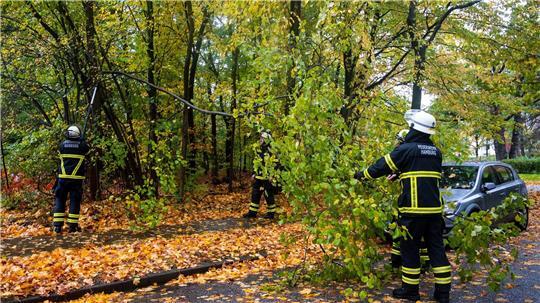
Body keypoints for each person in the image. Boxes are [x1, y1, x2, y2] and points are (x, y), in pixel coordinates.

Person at [355, 111, 451, 303]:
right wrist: (400, 174)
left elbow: (381, 166)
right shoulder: (435, 152)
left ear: (414, 128)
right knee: (437, 251)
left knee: (410, 250)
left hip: (413, 212)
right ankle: (442, 295)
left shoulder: (406, 149)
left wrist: (361, 175)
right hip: (434, 212)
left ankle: (410, 291)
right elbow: (421, 173)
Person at [388, 129, 430, 272]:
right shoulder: (428, 151)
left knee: (405, 237)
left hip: (411, 205)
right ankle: (422, 264)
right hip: (428, 202)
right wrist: (397, 175)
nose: (398, 144)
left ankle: (400, 264)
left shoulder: (406, 150)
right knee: (422, 237)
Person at [52, 125, 89, 233]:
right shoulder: (82, 146)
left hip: (62, 179)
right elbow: (86, 148)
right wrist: (82, 139)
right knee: (75, 201)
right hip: (76, 180)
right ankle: (72, 226)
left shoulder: (62, 145)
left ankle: (57, 226)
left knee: (59, 199)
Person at [243, 131, 278, 219]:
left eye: (263, 138)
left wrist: (272, 175)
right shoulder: (258, 150)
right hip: (258, 178)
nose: (260, 140)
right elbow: (256, 163)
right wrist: (254, 174)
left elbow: (276, 164)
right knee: (255, 195)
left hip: (267, 178)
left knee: (268, 196)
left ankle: (271, 214)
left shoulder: (272, 151)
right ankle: (252, 213)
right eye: (260, 138)